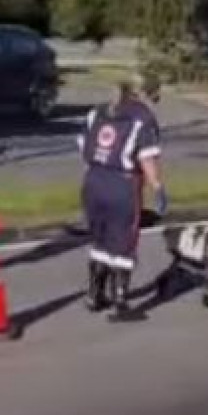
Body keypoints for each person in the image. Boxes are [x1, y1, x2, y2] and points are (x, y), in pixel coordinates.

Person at [78, 74, 165, 317]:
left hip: (94, 182)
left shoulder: (97, 112)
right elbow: (146, 158)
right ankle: (120, 301)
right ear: (146, 93)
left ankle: (94, 295)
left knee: (100, 238)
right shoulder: (142, 118)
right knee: (123, 243)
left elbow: (84, 149)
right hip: (122, 186)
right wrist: (157, 187)